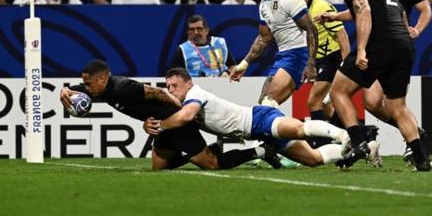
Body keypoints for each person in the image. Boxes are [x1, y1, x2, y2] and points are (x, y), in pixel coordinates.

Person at [60, 60, 276, 171]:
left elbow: (155, 92)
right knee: (160, 168)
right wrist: (67, 89)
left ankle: (261, 150)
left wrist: (177, 105)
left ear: (102, 79)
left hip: (173, 121)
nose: (87, 88)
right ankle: (210, 149)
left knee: (213, 165)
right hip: (159, 123)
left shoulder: (121, 87)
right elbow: (82, 89)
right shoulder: (100, 87)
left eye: (89, 83)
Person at [143, 68, 383, 168]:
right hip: (255, 131)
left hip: (257, 119)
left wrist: (161, 126)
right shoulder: (186, 100)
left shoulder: (195, 94)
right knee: (312, 160)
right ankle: (366, 148)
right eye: (167, 86)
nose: (170, 89)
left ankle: (346, 136)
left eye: (174, 85)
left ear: (188, 83)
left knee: (299, 129)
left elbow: (186, 116)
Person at [326, 0, 430, 171]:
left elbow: (364, 11)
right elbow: (398, 12)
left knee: (338, 91)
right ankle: (422, 158)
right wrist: (335, 17)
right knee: (396, 106)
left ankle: (358, 143)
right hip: (404, 46)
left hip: (379, 46)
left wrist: (362, 49)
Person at [229, 0, 318, 107]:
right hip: (282, 56)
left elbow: (311, 30)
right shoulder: (264, 3)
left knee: (267, 104)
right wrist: (244, 64)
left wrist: (311, 63)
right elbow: (264, 37)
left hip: (298, 55)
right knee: (262, 106)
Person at [287, 0, 350, 123]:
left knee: (313, 101)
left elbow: (342, 36)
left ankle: (321, 143)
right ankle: (357, 134)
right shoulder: (291, 10)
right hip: (315, 60)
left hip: (331, 59)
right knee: (326, 108)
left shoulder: (322, 7)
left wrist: (347, 66)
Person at [170, 14, 235, 77]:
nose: (195, 32)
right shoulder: (183, 50)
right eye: (192, 29)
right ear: (188, 32)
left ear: (206, 30)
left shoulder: (219, 43)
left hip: (221, 84)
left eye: (199, 29)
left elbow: (232, 66)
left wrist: (227, 73)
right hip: (195, 86)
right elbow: (174, 75)